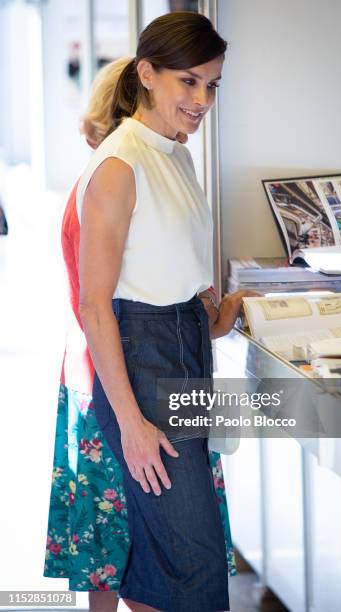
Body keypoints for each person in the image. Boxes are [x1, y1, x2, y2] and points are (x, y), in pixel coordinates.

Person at [43, 52, 238, 612]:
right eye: (187, 83)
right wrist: (128, 416)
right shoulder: (115, 174)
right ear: (142, 88)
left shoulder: (165, 164)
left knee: (143, 547)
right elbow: (97, 304)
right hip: (113, 371)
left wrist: (209, 314)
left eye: (210, 85)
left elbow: (164, 281)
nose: (199, 101)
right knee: (126, 544)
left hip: (132, 364)